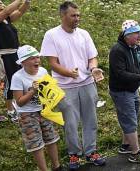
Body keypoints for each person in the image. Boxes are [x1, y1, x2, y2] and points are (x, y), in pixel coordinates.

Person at [40, 1, 105, 169]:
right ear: (63, 16)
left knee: (91, 119)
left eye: (78, 15)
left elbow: (92, 57)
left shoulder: (84, 34)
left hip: (87, 82)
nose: (77, 18)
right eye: (73, 15)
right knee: (70, 122)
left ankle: (91, 151)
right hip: (65, 86)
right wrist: (69, 73)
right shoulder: (51, 35)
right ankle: (74, 154)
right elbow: (52, 63)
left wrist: (94, 68)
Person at [11, 45, 63, 171]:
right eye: (32, 58)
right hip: (27, 115)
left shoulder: (43, 71)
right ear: (23, 62)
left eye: (37, 57)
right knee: (36, 144)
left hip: (44, 110)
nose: (37, 61)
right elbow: (19, 103)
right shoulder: (17, 77)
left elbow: (48, 90)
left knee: (51, 139)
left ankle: (57, 167)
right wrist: (32, 91)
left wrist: (55, 96)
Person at [109, 19, 140, 164]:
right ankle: (136, 153)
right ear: (126, 35)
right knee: (130, 120)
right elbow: (120, 73)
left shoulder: (137, 47)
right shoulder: (117, 50)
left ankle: (126, 145)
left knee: (131, 117)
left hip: (132, 88)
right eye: (136, 33)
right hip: (121, 90)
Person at [0, 0, 31, 122]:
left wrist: (27, 2)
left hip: (15, 54)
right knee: (10, 83)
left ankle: (17, 103)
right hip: (5, 56)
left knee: (19, 80)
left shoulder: (5, 19)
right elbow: (8, 10)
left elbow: (19, 12)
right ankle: (10, 111)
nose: (1, 2)